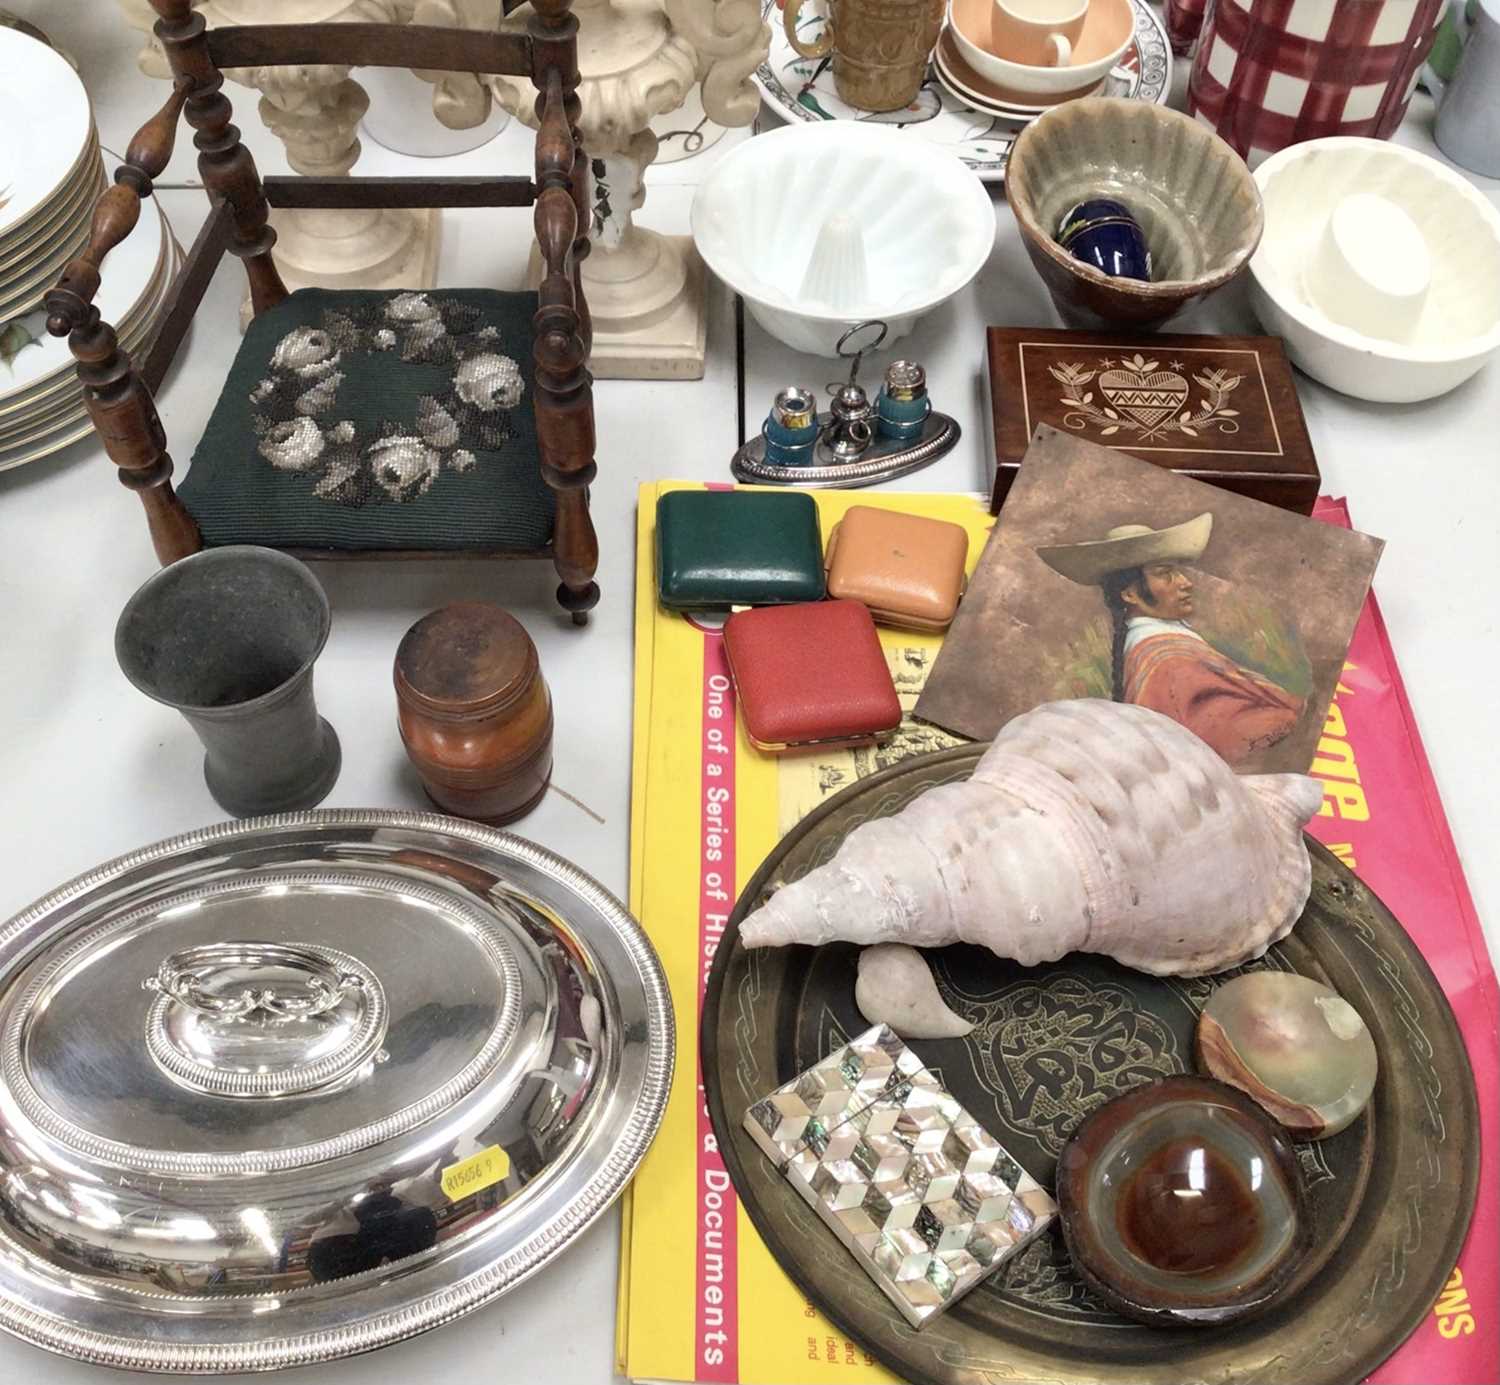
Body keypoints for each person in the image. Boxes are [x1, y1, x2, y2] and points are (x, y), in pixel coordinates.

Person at [1036, 514, 1303, 765]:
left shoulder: (1163, 644)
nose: (1186, 583)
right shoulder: (1168, 659)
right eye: (1165, 573)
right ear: (1130, 594)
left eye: (1177, 572)